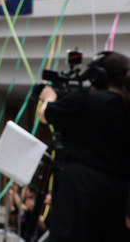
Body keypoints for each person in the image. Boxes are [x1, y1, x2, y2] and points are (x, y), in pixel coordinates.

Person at [38, 51, 130, 241]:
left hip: (79, 192)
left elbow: (45, 115)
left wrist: (49, 96)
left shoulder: (86, 100)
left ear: (98, 76)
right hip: (118, 197)